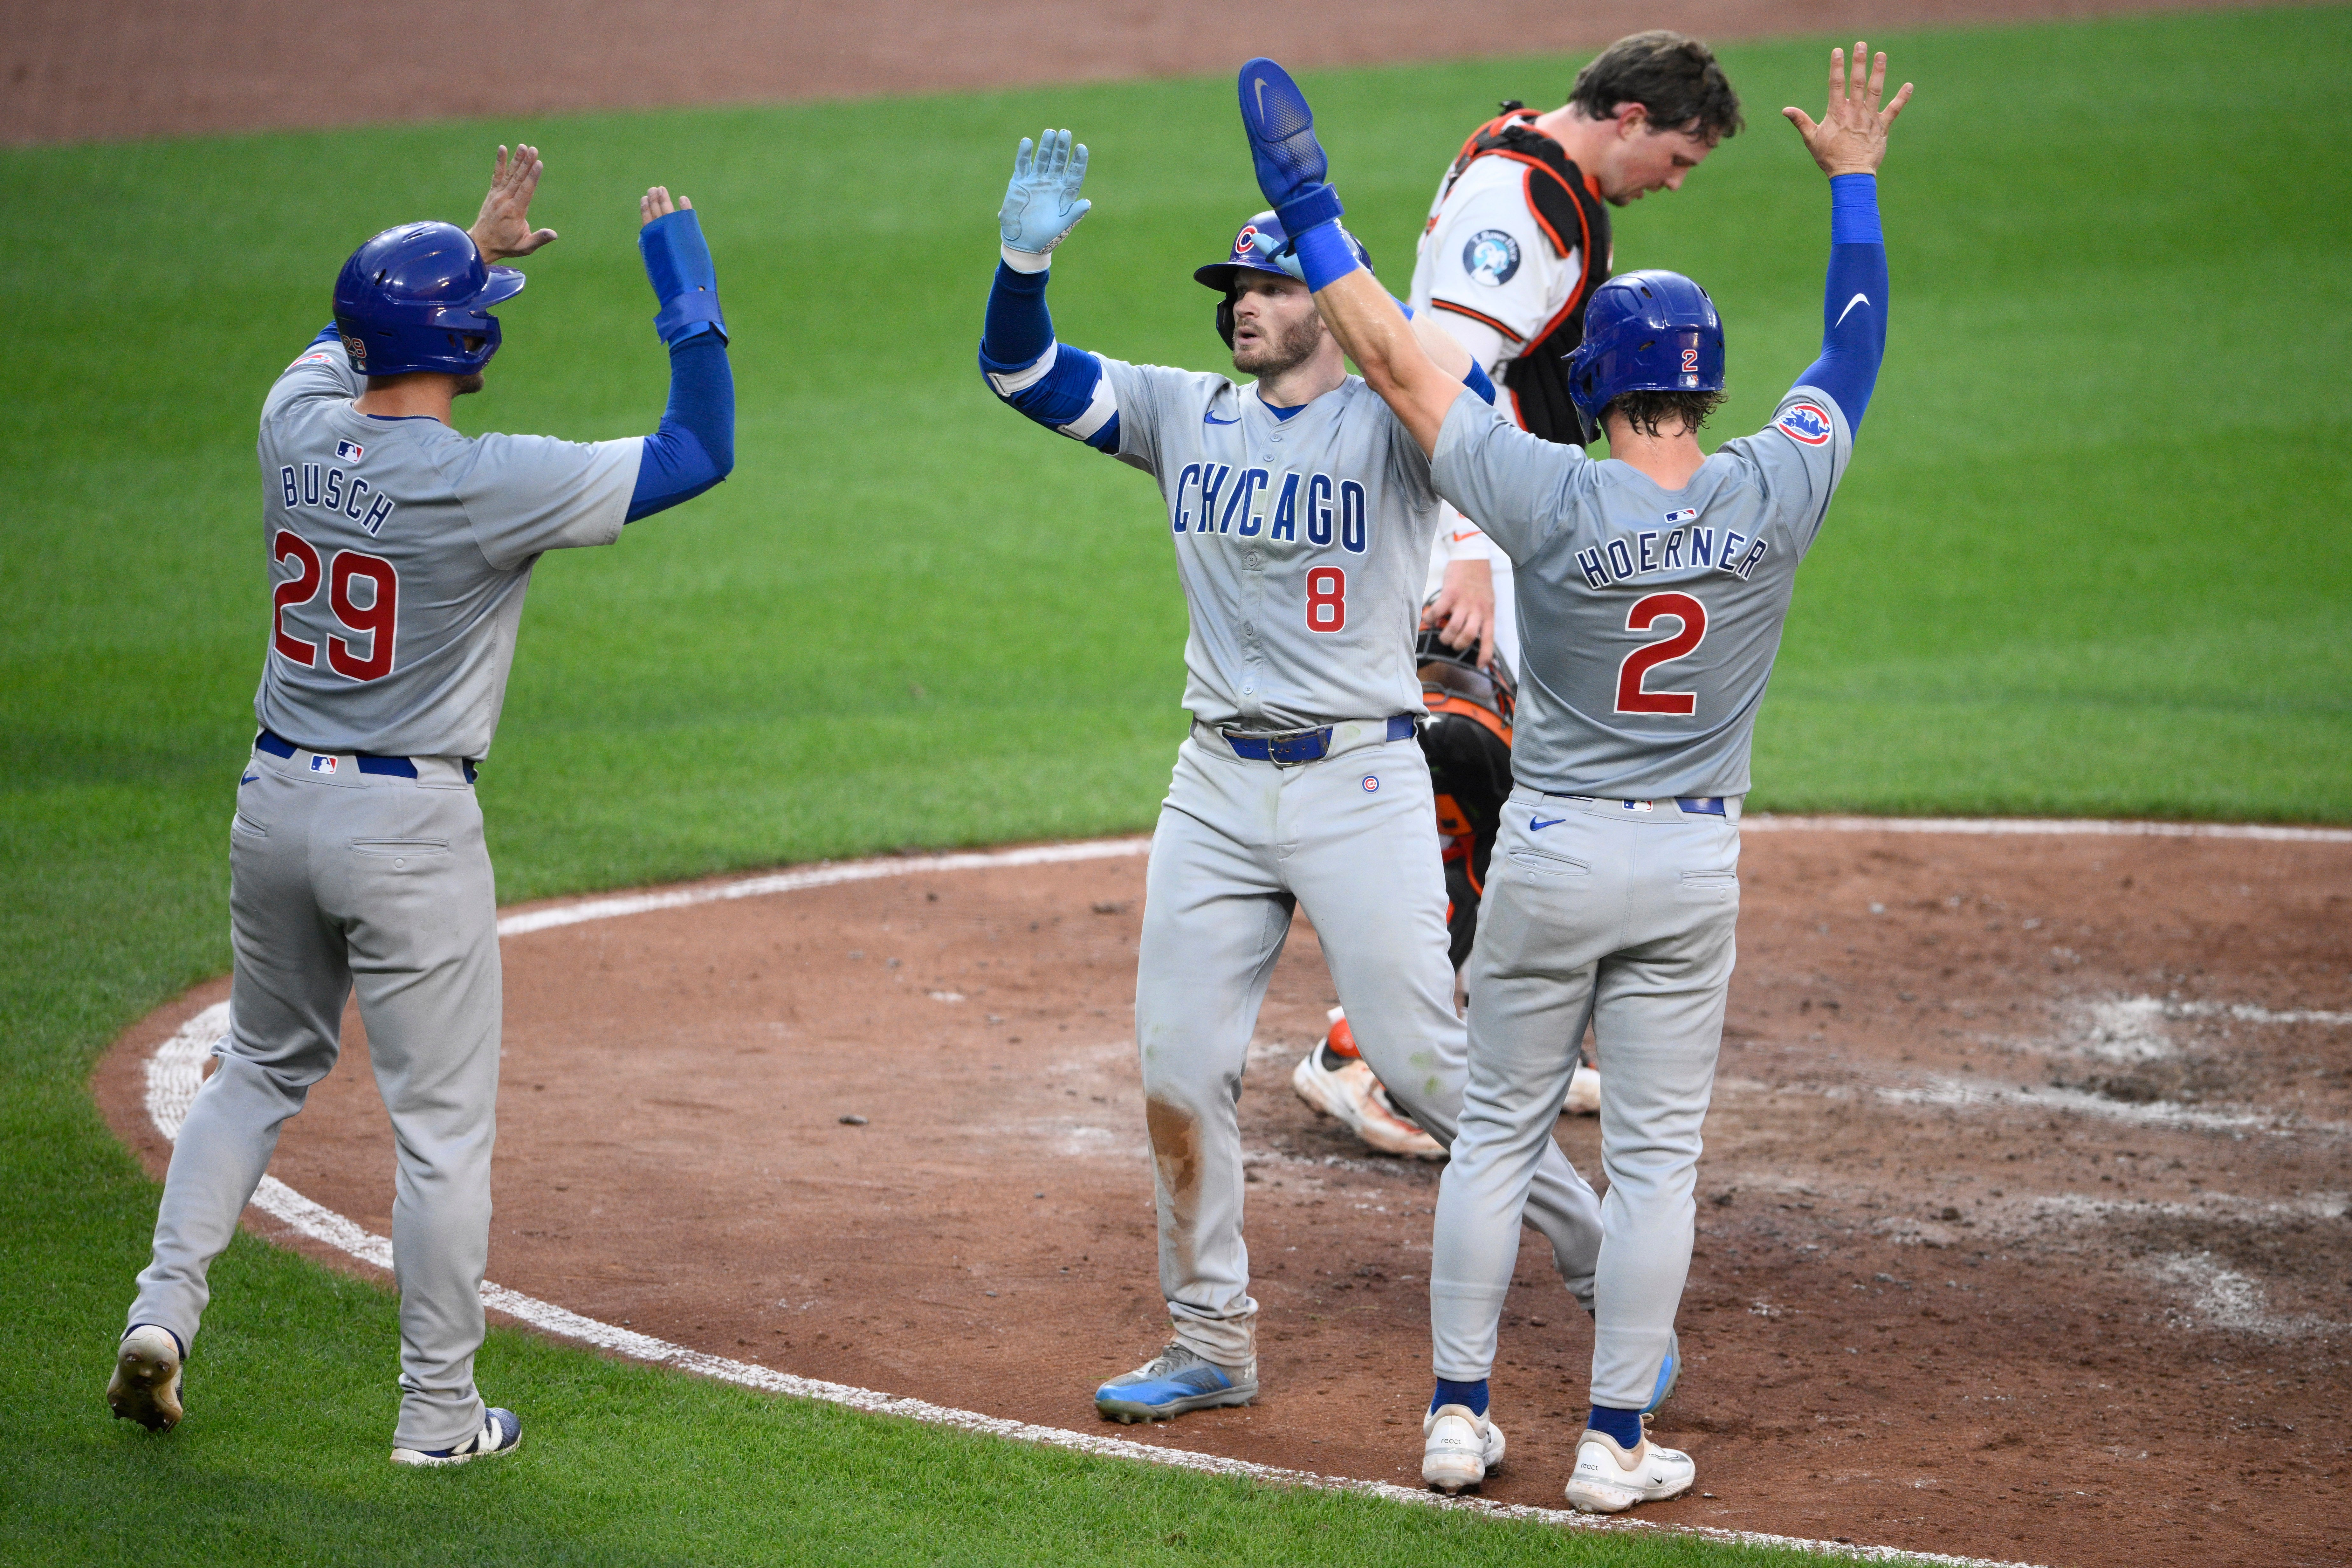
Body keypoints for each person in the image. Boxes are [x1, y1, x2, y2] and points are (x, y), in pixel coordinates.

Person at [1234, 41, 1907, 1503]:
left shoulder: (1540, 495)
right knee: (1656, 1168)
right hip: (1687, 867)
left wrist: (1311, 207)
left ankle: (1458, 1421)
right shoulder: (1775, 489)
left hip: (1547, 856)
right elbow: (1850, 348)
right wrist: (1852, 186)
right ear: (1709, 380)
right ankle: (1613, 1447)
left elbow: (1412, 373)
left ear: (1585, 379)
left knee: (1493, 1144)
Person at [104, 147, 735, 1465]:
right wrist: (686, 291)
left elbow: (346, 342)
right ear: (470, 337)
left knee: (261, 1069)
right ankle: (439, 1417)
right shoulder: (485, 479)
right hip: (407, 831)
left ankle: (163, 1314)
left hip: (274, 799)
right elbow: (699, 449)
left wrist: (475, 244)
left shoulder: (296, 426)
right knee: (440, 1136)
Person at [977, 129, 1607, 1424]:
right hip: (1212, 783)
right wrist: (1022, 260)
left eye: (1265, 287)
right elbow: (1019, 370)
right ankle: (1210, 1339)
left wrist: (1373, 304)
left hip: (1356, 780)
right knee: (1176, 1064)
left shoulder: (1400, 423)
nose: (1241, 309)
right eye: (1231, 293)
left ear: (1327, 301)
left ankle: (1601, 1251)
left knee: (1425, 1065)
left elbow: (1488, 437)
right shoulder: (1178, 411)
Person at [1412, 29, 1744, 680]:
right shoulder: (1516, 206)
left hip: (1506, 502)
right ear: (1632, 121)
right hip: (1473, 519)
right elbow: (1439, 380)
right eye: (1678, 159)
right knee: (1477, 753)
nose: (1675, 183)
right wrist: (1470, 554)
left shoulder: (1551, 168)